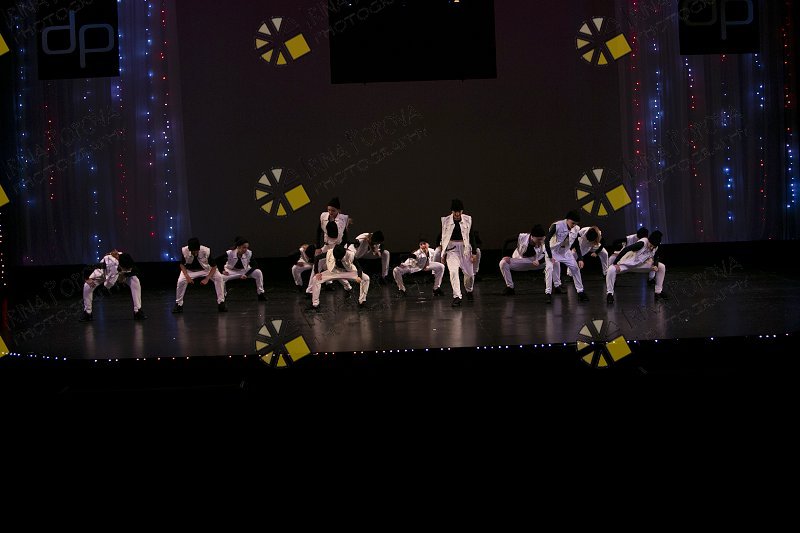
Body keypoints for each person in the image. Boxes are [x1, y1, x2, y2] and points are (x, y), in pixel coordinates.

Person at [605, 230, 669, 304]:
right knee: (611, 269)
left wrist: (655, 265)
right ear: (649, 240)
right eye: (651, 245)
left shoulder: (656, 246)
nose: (651, 247)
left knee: (661, 267)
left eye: (653, 246)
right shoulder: (642, 243)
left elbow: (656, 256)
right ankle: (610, 294)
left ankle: (658, 292)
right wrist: (615, 263)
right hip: (627, 265)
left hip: (641, 265)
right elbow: (626, 249)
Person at [80, 249, 146, 321]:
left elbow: (136, 271)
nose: (127, 269)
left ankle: (138, 311)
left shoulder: (127, 259)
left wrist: (125, 275)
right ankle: (87, 313)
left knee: (135, 280)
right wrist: (86, 278)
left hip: (120, 275)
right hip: (104, 274)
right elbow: (88, 268)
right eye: (125, 269)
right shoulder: (106, 262)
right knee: (87, 286)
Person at [544, 210, 589, 303]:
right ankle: (548, 293)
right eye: (572, 223)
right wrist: (550, 256)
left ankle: (580, 292)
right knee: (549, 268)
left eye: (576, 224)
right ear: (567, 219)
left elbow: (576, 243)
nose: (574, 225)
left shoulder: (576, 228)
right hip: (553, 251)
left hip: (565, 252)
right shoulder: (557, 225)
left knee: (575, 268)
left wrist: (580, 258)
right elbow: (546, 240)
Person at [308, 244, 369, 309]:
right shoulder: (330, 252)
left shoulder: (350, 254)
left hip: (348, 272)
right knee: (315, 279)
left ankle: (362, 301)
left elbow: (359, 267)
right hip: (334, 271)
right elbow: (317, 258)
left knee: (366, 278)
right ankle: (315, 304)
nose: (338, 259)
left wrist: (359, 276)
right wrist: (317, 272)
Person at [440, 199, 477, 307]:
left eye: (459, 211)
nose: (457, 214)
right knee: (453, 272)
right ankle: (457, 296)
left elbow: (471, 235)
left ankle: (469, 290)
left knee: (470, 275)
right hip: (452, 249)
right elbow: (443, 236)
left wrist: (474, 252)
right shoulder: (445, 220)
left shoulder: (468, 219)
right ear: (452, 211)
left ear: (462, 211)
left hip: (465, 248)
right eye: (455, 212)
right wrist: (443, 253)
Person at [173, 237, 226, 313]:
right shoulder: (185, 250)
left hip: (206, 269)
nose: (195, 252)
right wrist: (187, 277)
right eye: (193, 251)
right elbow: (182, 265)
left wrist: (207, 278)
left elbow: (214, 267)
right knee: (181, 281)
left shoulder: (206, 251)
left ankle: (221, 303)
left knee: (219, 277)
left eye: (196, 250)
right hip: (190, 271)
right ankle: (178, 304)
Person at [499, 224, 547, 296]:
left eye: (542, 239)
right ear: (532, 237)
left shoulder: (544, 240)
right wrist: (504, 256)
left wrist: (539, 261)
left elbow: (548, 255)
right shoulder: (522, 237)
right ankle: (510, 287)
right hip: (521, 260)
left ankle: (556, 286)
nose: (541, 241)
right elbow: (506, 240)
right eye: (539, 239)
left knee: (555, 261)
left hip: (537, 261)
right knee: (503, 263)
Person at [219, 236, 266, 301]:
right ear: (238, 247)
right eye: (244, 247)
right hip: (231, 271)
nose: (245, 249)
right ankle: (223, 296)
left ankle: (260, 294)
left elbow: (255, 265)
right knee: (221, 277)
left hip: (244, 271)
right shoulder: (230, 253)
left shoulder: (249, 253)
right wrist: (222, 270)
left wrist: (246, 274)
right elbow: (217, 261)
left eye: (247, 247)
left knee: (258, 272)